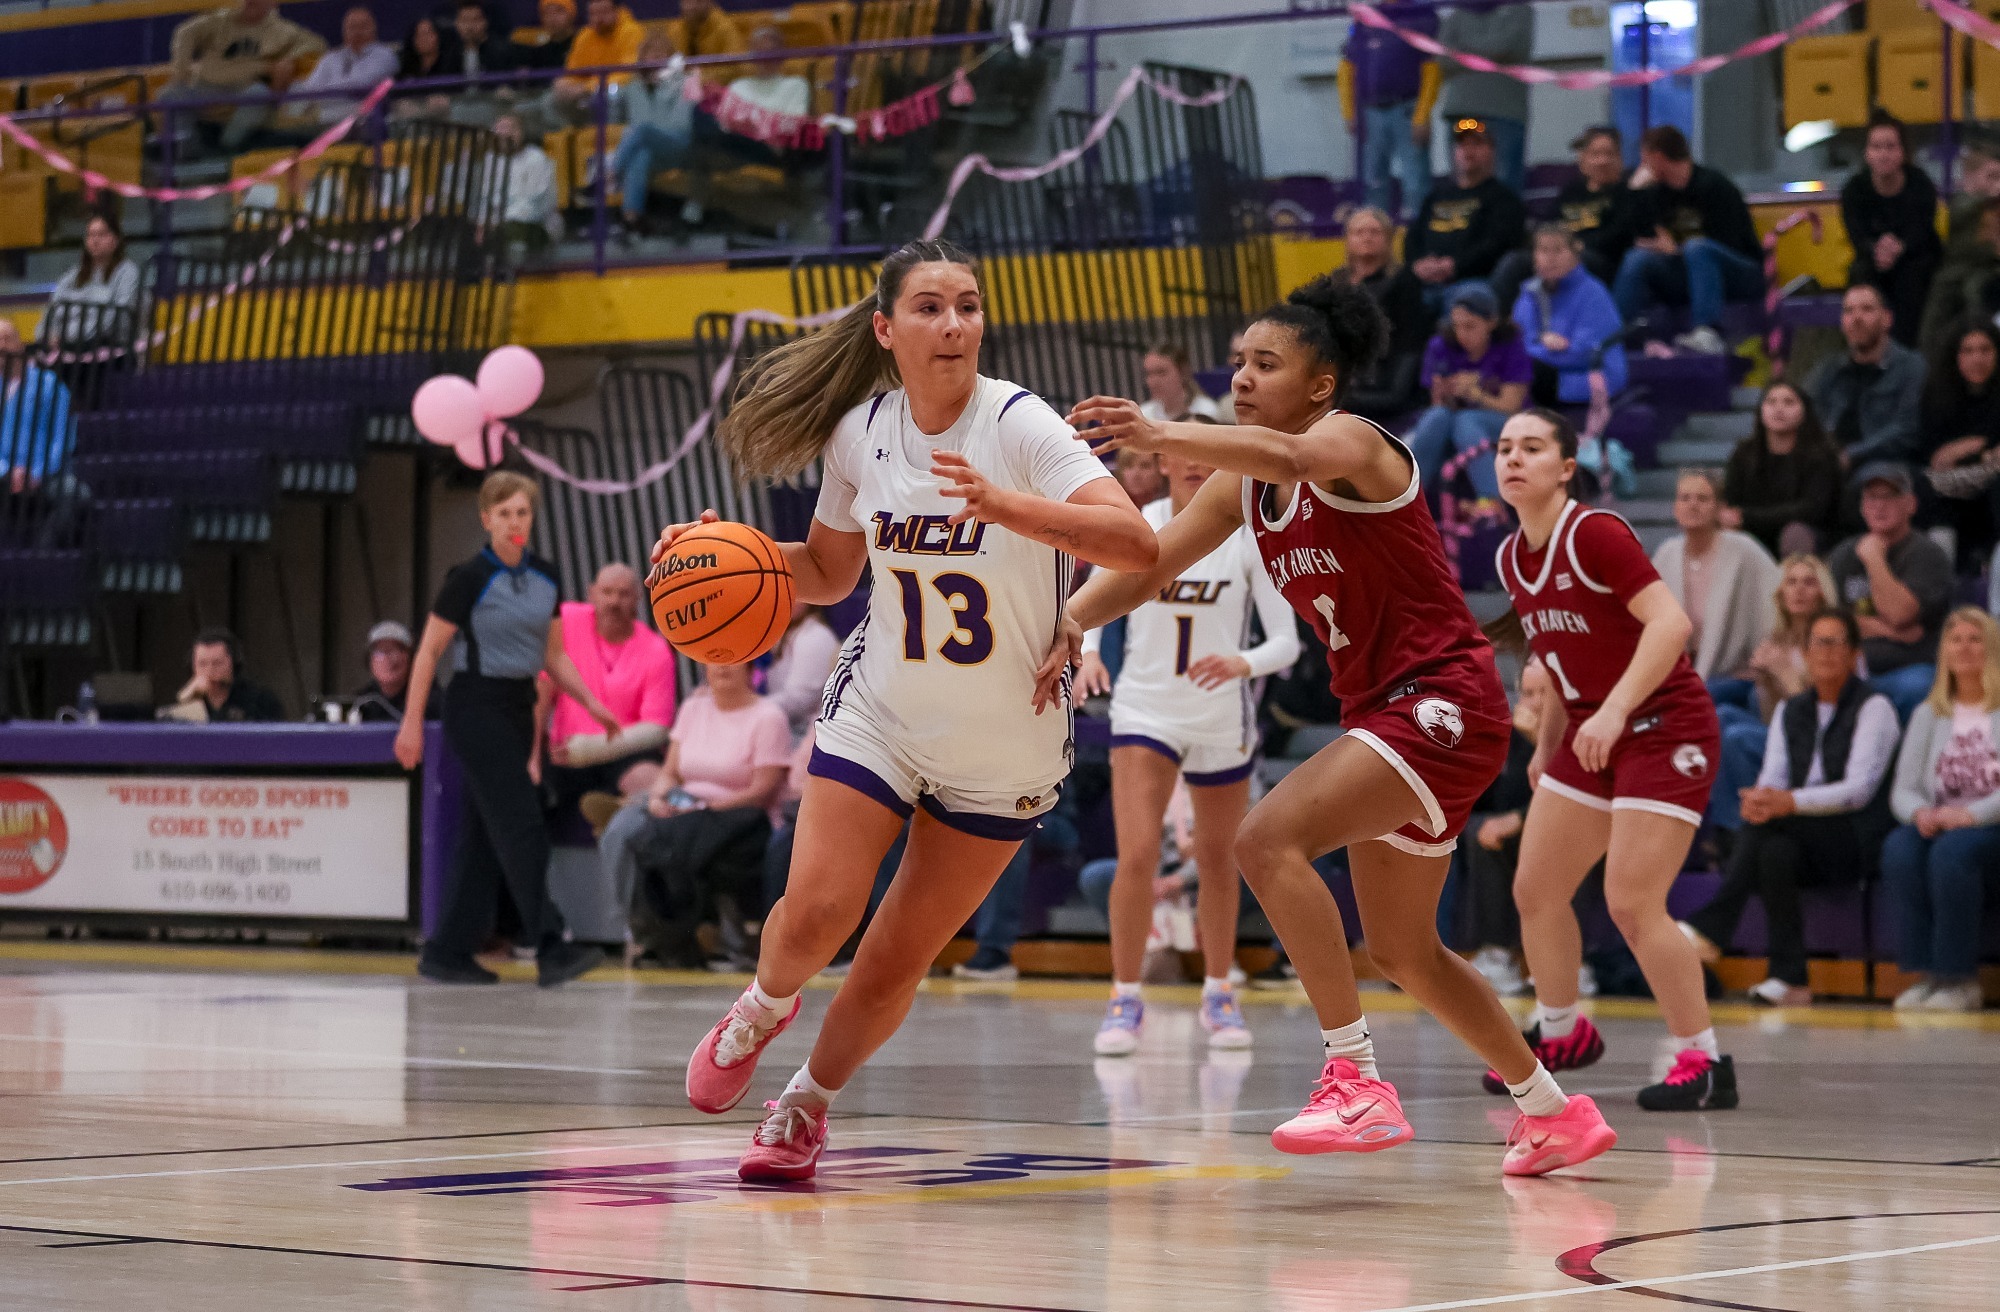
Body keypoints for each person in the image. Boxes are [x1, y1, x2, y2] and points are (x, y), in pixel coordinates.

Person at [1060, 275, 1617, 1176]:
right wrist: (1069, 624)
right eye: (1238, 362)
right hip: (1387, 714)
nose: (1243, 377)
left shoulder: (1355, 441)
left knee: (1262, 839)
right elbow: (1151, 563)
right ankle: (1555, 1113)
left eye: (1266, 363)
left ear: (1320, 384)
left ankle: (1354, 1080)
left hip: (1439, 699)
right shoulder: (1242, 488)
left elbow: (1290, 460)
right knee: (1404, 949)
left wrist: (1162, 435)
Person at [669, 239, 1156, 1181]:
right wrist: (721, 554)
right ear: (886, 329)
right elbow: (828, 570)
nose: (954, 324)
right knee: (816, 915)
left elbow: (1134, 542)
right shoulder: (862, 433)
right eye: (930, 308)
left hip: (1005, 741)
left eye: (968, 305)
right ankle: (762, 1007)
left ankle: (805, 1105)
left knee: (895, 957)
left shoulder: (1020, 425)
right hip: (882, 710)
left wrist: (1009, 509)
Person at [1488, 409, 1732, 1110]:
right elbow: (1558, 660)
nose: (1513, 459)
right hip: (1593, 730)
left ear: (1566, 468)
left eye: (1532, 448)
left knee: (1631, 902)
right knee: (1536, 888)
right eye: (1504, 448)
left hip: (1664, 726)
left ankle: (1705, 1061)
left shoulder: (1595, 532)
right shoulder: (1511, 557)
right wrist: (1551, 745)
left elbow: (1671, 624)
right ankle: (1563, 1032)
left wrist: (1616, 709)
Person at [1073, 447, 1301, 1055]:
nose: (1197, 466)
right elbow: (1092, 604)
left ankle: (1219, 991)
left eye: (1209, 457)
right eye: (1185, 456)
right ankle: (1125, 996)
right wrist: (1089, 653)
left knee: (1218, 859)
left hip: (1220, 715)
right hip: (1145, 708)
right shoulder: (1138, 524)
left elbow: (1286, 643)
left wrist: (1241, 662)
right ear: (1164, 464)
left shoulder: (1247, 536)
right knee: (1137, 855)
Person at [395, 471, 618, 989]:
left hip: (519, 708)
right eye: (505, 514)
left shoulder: (546, 575)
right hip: (475, 708)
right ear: (486, 519)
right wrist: (411, 723)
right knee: (521, 824)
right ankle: (550, 944)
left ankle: (447, 951)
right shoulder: (469, 577)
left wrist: (593, 704)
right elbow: (429, 652)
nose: (515, 522)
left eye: (523, 512)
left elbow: (554, 656)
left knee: (482, 837)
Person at [1681, 609, 1897, 1006]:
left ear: (1854, 654)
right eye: (1818, 642)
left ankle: (1713, 926)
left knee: (1770, 830)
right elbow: (1773, 777)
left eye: (1835, 642)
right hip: (1799, 836)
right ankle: (1791, 977)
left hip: (1854, 839)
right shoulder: (1791, 709)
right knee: (1774, 852)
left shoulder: (1875, 708)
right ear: (1804, 653)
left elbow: (1858, 792)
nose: (1825, 651)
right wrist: (1760, 800)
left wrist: (1785, 802)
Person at [599, 660, 792, 967]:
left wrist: (704, 808)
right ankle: (643, 932)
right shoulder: (693, 708)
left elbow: (763, 790)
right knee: (620, 830)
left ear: (750, 670)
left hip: (738, 815)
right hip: (685, 804)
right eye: (715, 662)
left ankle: (669, 938)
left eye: (732, 661)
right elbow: (670, 771)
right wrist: (658, 797)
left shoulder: (769, 716)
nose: (722, 668)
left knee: (655, 840)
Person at [1882, 607, 2000, 1013]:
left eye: (1974, 639)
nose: (1964, 648)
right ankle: (1927, 975)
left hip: (1990, 827)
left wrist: (1972, 815)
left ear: (1991, 649)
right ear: (1944, 651)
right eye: (1955, 640)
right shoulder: (1928, 713)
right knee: (1900, 847)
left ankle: (1958, 979)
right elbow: (1904, 789)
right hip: (1942, 823)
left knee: (1953, 852)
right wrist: (1921, 814)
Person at [1614, 126, 1763, 356]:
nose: (1642, 165)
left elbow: (1731, 242)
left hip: (1738, 271)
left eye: (1645, 158)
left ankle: (1707, 331)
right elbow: (1640, 236)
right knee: (1637, 259)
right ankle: (1618, 336)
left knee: (1698, 248)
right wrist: (1635, 193)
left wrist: (1675, 250)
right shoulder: (1656, 192)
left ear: (1658, 157)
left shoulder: (1715, 186)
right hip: (1687, 270)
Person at [1826, 463, 1953, 720]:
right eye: (1872, 498)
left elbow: (1899, 614)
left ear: (1911, 504)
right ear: (1862, 507)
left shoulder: (1927, 555)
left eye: (1889, 497)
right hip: (1851, 668)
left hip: (1910, 667)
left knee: (1916, 687)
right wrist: (1891, 631)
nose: (1879, 506)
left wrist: (1874, 559)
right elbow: (1829, 623)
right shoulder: (1842, 555)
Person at [545, 562, 676, 811]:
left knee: (652, 779)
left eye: (624, 594)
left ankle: (620, 811)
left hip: (626, 753)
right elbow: (541, 684)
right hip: (565, 753)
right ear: (591, 593)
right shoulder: (567, 621)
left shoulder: (656, 650)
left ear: (638, 599)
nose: (614, 602)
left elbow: (657, 728)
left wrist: (589, 750)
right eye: (607, 592)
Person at [1461, 660, 1549, 997]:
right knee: (1480, 834)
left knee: (1561, 843)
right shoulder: (1513, 737)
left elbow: (1575, 795)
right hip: (1528, 828)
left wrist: (1521, 818)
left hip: (1579, 830)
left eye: (1544, 693)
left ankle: (1574, 963)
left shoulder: (1580, 730)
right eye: (1528, 693)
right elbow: (1494, 794)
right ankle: (1497, 956)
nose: (1535, 703)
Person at [1650, 470, 1780, 685]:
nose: (1693, 505)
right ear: (1675, 507)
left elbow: (1776, 599)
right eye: (1685, 498)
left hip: (1735, 674)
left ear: (1719, 508)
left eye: (1702, 499)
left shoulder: (1743, 550)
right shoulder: (1666, 554)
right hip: (1680, 675)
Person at [1408, 284, 1530, 508]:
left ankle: (1491, 502)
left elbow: (1512, 406)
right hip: (1454, 418)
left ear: (1491, 322)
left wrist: (1475, 393)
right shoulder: (1440, 345)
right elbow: (1438, 404)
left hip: (1503, 420)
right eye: (1456, 326)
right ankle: (1407, 496)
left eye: (1470, 326)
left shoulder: (1510, 343)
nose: (1461, 334)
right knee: (1436, 416)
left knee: (1466, 421)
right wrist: (1447, 392)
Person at [163, 0, 325, 153]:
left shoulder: (282, 30)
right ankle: (187, 155)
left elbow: (316, 43)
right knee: (171, 94)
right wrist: (181, 73)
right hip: (206, 89)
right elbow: (184, 32)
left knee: (259, 93)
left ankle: (225, 151)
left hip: (244, 94)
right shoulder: (220, 21)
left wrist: (287, 59)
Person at [1842, 111, 1942, 351]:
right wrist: (1877, 249)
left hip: (1916, 259)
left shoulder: (1921, 184)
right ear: (1867, 153)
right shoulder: (1855, 190)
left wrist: (1899, 247)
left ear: (1903, 152)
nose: (1883, 154)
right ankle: (1863, 348)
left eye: (1890, 147)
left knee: (1913, 278)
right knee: (1860, 275)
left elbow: (1922, 231)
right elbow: (1857, 235)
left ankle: (1906, 352)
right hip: (1872, 260)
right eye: (1876, 147)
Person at [1405, 119, 1527, 313]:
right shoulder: (1435, 197)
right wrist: (1418, 264)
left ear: (1492, 151)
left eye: (1477, 144)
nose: (1468, 151)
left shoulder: (1504, 199)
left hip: (1475, 284)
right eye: (1462, 145)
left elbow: (1498, 245)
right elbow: (1413, 238)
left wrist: (1454, 266)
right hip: (1425, 283)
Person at [1805, 283, 1926, 469]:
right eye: (1849, 311)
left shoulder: (1911, 367)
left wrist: (1851, 455)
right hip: (1829, 463)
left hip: (1886, 465)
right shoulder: (1830, 369)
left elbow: (1907, 430)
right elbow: (1804, 410)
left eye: (1867, 309)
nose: (1856, 318)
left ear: (1887, 319)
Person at [1338, 0, 1439, 220]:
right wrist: (1349, 113)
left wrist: (1421, 115)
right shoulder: (1366, 19)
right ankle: (1374, 234)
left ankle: (1418, 234)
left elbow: (1431, 69)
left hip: (1407, 110)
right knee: (1372, 182)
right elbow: (1347, 68)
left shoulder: (1421, 16)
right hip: (1370, 111)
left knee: (1415, 182)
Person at [1721, 382, 1842, 558]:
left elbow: (1812, 510)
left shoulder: (1820, 456)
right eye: (1771, 402)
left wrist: (1747, 517)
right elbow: (1731, 499)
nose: (1779, 409)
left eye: (1788, 402)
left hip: (1809, 533)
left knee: (1794, 533)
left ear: (1804, 411)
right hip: (1754, 531)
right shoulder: (1744, 454)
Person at [1329, 207, 1428, 416]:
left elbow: (1410, 339)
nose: (1367, 238)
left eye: (1375, 232)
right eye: (1359, 232)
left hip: (1389, 367)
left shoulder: (1404, 280)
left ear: (1388, 238)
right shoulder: (1337, 280)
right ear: (1347, 239)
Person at [1514, 223, 1627, 408]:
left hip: (1589, 378)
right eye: (1543, 250)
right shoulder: (1530, 293)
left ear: (1575, 255)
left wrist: (1535, 356)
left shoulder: (1593, 293)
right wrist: (1542, 345)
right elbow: (1517, 344)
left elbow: (1585, 354)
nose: (1550, 258)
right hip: (1540, 378)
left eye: (1558, 250)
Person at [1919, 318, 2000, 557]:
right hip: (1949, 488)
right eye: (1968, 351)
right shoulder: (1936, 395)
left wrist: (1963, 451)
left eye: (1985, 350)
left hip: (1991, 488)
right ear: (1955, 356)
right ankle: (1939, 572)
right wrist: (1983, 451)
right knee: (1925, 491)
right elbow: (1936, 460)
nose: (1977, 359)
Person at [1437, 1, 1532, 193]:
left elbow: (1505, 47)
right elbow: (1442, 58)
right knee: (1461, 187)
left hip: (1504, 112)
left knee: (1505, 188)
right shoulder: (1457, 13)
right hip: (1460, 110)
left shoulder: (1520, 10)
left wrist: (1462, 54)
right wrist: (1489, 58)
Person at [0, 319, 78, 547]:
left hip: (45, 475)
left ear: (20, 345)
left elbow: (63, 439)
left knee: (72, 493)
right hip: (3, 474)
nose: (1, 346)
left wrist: (35, 473)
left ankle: (42, 556)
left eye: (6, 339)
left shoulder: (50, 385)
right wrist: (7, 471)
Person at [609, 29, 693, 238]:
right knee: (640, 155)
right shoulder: (633, 87)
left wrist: (663, 86)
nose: (655, 57)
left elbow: (682, 124)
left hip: (680, 145)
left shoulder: (686, 81)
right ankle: (631, 219)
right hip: (651, 149)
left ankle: (610, 175)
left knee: (643, 131)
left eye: (661, 52)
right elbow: (616, 120)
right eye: (650, 53)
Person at [40, 214, 143, 348]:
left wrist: (72, 338)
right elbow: (52, 310)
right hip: (65, 346)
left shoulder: (128, 272)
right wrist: (48, 335)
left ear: (116, 240)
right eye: (90, 235)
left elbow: (116, 317)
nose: (95, 240)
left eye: (101, 234)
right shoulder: (73, 275)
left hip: (106, 347)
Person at [1556, 125, 1636, 284]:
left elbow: (1618, 236)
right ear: (1583, 159)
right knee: (1518, 261)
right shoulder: (1570, 192)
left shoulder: (1626, 193)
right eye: (1596, 154)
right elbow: (1549, 224)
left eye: (1609, 154)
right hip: (1563, 252)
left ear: (1619, 159)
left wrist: (1577, 245)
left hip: (1603, 262)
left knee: (1577, 260)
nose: (1603, 161)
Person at [293, 6, 397, 126]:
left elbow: (360, 86)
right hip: (325, 124)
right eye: (352, 27)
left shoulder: (385, 55)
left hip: (364, 122)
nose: (357, 31)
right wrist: (336, 91)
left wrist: (328, 91)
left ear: (374, 29)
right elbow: (311, 90)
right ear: (344, 30)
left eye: (363, 26)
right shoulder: (330, 58)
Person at [549, 0, 644, 124]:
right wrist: (566, 83)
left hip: (619, 90)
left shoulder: (632, 32)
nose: (598, 19)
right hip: (587, 91)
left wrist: (588, 87)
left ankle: (610, 135)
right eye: (593, 14)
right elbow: (573, 72)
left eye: (603, 12)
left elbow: (628, 74)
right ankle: (569, 134)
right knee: (550, 99)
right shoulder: (585, 35)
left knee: (610, 96)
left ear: (617, 11)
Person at [163, 629, 285, 722]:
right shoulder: (187, 698)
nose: (209, 670)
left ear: (233, 662)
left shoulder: (260, 700)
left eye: (217, 663)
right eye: (202, 664)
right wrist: (186, 701)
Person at [763, 601, 839, 740]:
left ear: (810, 600)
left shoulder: (816, 637)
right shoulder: (783, 633)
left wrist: (750, 709)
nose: (786, 601)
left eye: (795, 595)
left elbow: (799, 702)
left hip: (806, 734)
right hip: (782, 725)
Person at [489, 115, 563, 249]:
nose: (506, 133)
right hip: (499, 224)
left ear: (522, 132)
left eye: (511, 128)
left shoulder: (536, 158)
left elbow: (534, 204)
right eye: (500, 128)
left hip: (536, 223)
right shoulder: (490, 161)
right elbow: (485, 199)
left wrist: (500, 221)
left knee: (512, 231)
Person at [445, 1, 520, 126]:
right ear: (457, 24)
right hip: (458, 106)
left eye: (475, 20)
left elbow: (510, 84)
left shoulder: (501, 50)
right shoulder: (450, 53)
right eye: (465, 21)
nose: (470, 26)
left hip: (493, 106)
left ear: (485, 22)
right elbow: (445, 87)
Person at [349, 620, 435, 723]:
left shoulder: (430, 700)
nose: (388, 659)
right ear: (369, 660)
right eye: (380, 651)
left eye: (396, 650)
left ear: (411, 658)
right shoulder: (360, 702)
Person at [1139, 342, 1220, 423]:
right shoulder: (1144, 414)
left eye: (1161, 372)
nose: (1152, 381)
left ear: (1183, 372)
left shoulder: (1206, 411)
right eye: (1148, 373)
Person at [515, 0, 580, 81]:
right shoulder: (540, 52)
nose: (552, 18)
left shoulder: (581, 44)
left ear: (571, 15)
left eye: (559, 11)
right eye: (547, 13)